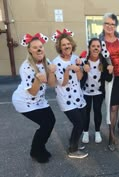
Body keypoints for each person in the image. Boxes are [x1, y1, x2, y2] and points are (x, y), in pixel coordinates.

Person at [12, 33, 56, 163]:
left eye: (40, 46)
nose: (39, 49)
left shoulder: (47, 61)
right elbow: (32, 92)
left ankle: (40, 147)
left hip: (39, 100)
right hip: (24, 101)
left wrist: (51, 72)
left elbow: (52, 84)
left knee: (51, 121)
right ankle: (35, 151)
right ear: (30, 50)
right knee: (45, 124)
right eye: (35, 47)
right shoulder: (26, 67)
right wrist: (38, 79)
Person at [51, 29, 88, 159]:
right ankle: (73, 150)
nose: (67, 46)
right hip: (66, 98)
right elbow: (62, 83)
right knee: (78, 123)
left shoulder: (75, 57)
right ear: (60, 47)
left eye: (68, 44)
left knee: (83, 121)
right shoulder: (56, 62)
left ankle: (74, 143)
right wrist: (68, 69)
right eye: (64, 45)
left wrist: (79, 68)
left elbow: (79, 77)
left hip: (78, 96)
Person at [99, 13, 119, 151]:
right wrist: (106, 68)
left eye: (112, 24)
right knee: (113, 108)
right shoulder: (99, 40)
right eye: (107, 23)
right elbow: (94, 57)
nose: (110, 26)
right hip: (113, 79)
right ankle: (111, 136)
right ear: (103, 25)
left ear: (115, 25)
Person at [79, 38, 113, 144]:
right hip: (85, 92)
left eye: (98, 46)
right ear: (89, 47)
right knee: (86, 113)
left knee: (97, 112)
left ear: (101, 48)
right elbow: (78, 78)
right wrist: (81, 69)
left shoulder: (103, 62)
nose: (95, 48)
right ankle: (85, 132)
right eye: (93, 46)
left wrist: (110, 72)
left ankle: (97, 131)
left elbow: (108, 79)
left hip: (98, 92)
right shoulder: (84, 61)